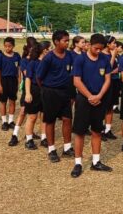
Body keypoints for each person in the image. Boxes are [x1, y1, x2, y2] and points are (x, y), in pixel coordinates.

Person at [70, 33, 113, 177]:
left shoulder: (105, 59)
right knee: (80, 132)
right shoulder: (80, 59)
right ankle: (78, 163)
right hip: (84, 100)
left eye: (101, 49)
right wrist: (89, 96)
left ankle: (96, 161)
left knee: (97, 131)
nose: (98, 51)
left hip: (99, 100)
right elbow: (77, 81)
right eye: (96, 48)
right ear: (89, 45)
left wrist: (99, 95)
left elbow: (107, 79)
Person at [36, 30, 75, 162]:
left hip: (65, 92)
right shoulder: (49, 58)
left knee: (67, 119)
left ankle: (67, 147)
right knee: (50, 120)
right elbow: (39, 77)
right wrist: (47, 90)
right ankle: (51, 149)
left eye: (68, 40)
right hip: (50, 92)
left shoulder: (70, 56)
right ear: (56, 42)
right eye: (65, 40)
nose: (67, 43)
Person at [23, 41, 50, 150]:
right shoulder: (33, 63)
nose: (51, 50)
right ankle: (29, 139)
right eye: (50, 48)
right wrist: (28, 93)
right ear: (45, 50)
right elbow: (28, 78)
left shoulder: (48, 62)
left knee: (44, 116)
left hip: (46, 90)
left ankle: (44, 138)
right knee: (32, 116)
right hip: (34, 90)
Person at [0, 37, 21, 131]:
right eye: (6, 46)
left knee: (12, 101)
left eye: (10, 46)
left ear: (13, 46)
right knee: (3, 101)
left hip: (13, 80)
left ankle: (10, 121)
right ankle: (4, 121)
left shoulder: (17, 56)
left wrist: (19, 80)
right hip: (3, 80)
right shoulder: (0, 56)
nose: (8, 48)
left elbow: (19, 68)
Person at [101, 36, 120, 141]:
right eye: (113, 43)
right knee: (103, 107)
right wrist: (113, 56)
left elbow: (116, 67)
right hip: (105, 83)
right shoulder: (102, 55)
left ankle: (108, 129)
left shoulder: (113, 54)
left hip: (114, 82)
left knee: (110, 106)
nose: (115, 45)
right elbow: (108, 68)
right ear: (107, 44)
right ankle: (100, 129)